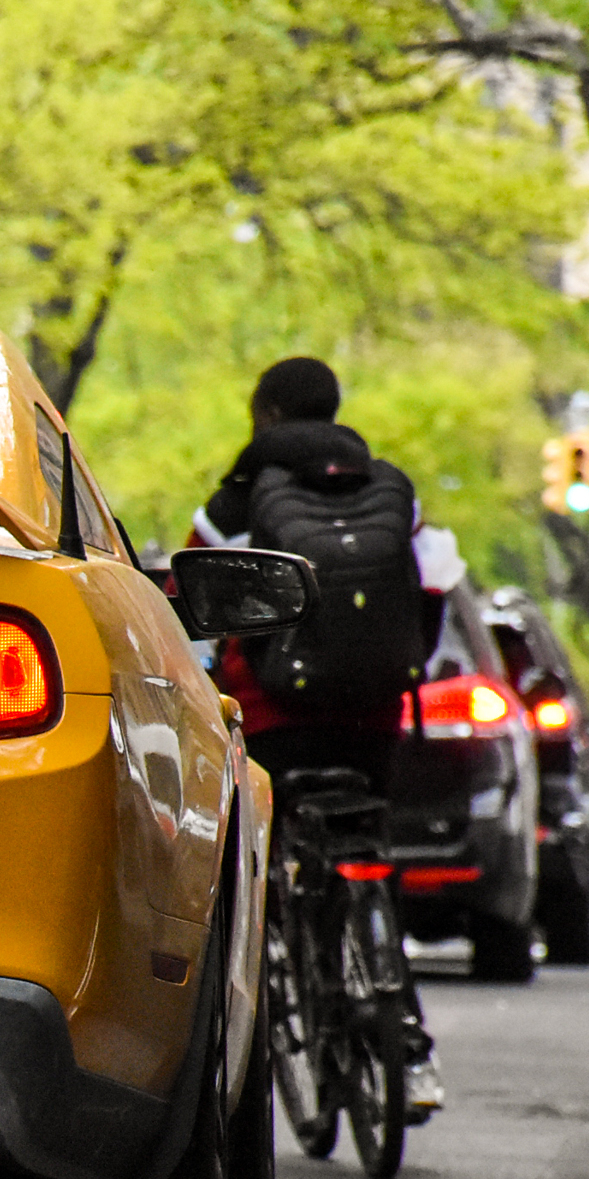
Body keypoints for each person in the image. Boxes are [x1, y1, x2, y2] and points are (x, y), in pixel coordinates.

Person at [193, 356, 449, 1120]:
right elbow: (434, 581)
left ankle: (283, 976)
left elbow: (198, 592)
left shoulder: (234, 500)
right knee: (367, 846)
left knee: (268, 866)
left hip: (275, 715)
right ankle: (406, 1038)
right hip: (374, 713)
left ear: (265, 415)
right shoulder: (388, 489)